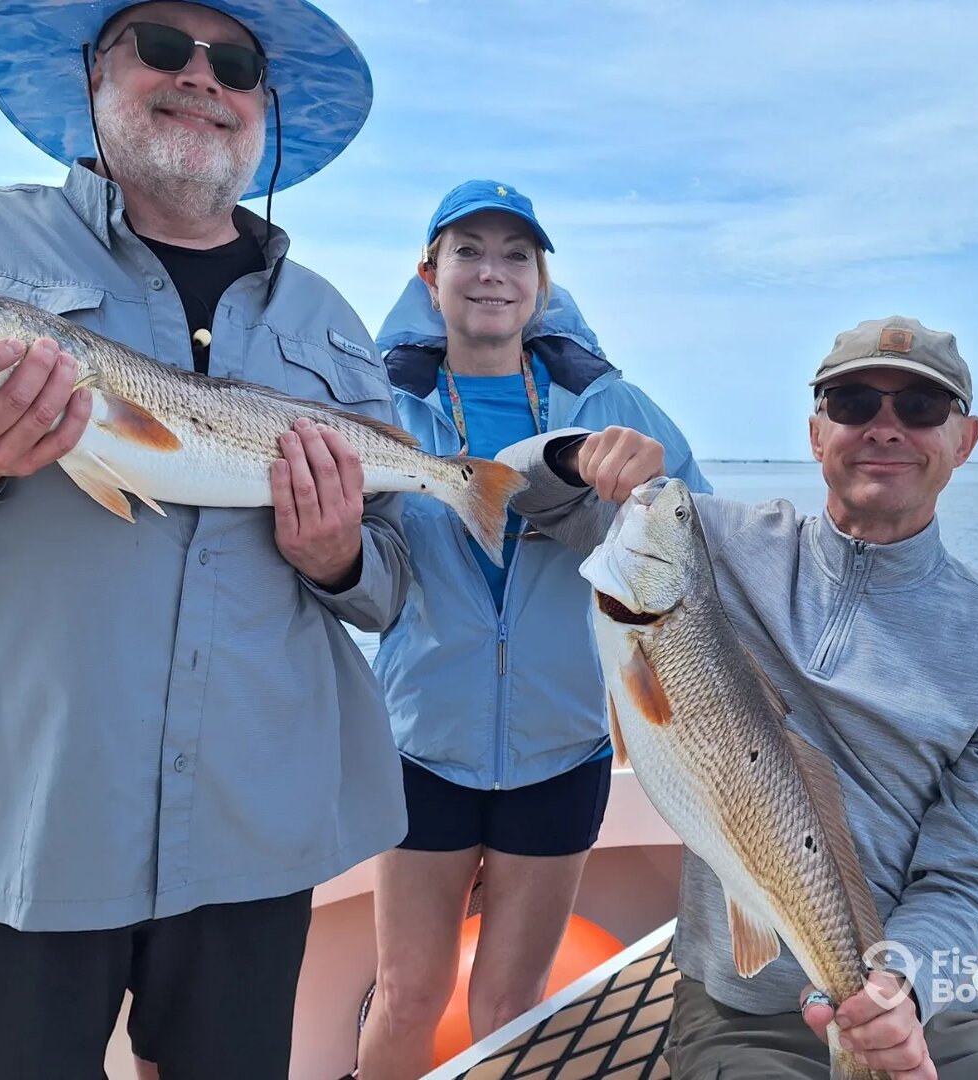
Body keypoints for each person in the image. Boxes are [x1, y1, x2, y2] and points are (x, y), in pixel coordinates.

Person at [0, 2, 410, 1077]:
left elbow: (394, 582)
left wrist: (339, 557)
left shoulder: (332, 320)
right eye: (162, 48)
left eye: (237, 64)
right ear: (90, 74)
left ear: (264, 105)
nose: (201, 78)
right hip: (25, 823)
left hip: (258, 828)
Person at [500, 316, 978, 1079]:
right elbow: (513, 488)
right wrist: (576, 454)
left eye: (920, 407)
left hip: (925, 1006)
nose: (884, 427)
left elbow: (965, 870)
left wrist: (899, 992)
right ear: (815, 432)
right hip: (741, 1012)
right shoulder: (707, 541)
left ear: (963, 441)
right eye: (853, 402)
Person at [356, 179, 711, 1078]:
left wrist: (643, 488)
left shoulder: (607, 404)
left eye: (516, 256)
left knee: (512, 1005)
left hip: (562, 744)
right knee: (406, 993)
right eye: (468, 252)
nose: (493, 273)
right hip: (420, 741)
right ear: (428, 274)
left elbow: (701, 531)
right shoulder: (379, 401)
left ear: (541, 284)